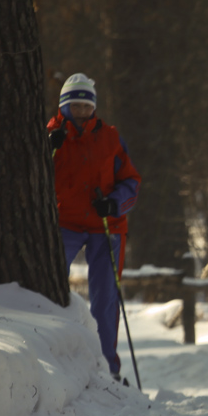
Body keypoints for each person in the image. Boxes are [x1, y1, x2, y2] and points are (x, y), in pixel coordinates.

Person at [47, 74, 141, 383]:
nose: (82, 112)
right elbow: (33, 176)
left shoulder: (110, 138)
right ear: (64, 106)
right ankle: (50, 358)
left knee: (105, 297)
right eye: (75, 105)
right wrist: (50, 149)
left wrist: (114, 203)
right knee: (48, 283)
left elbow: (131, 182)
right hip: (67, 222)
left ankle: (107, 369)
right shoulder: (51, 134)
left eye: (87, 106)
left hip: (106, 224)